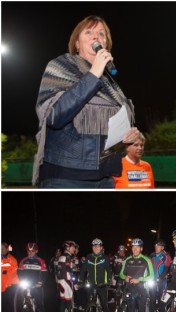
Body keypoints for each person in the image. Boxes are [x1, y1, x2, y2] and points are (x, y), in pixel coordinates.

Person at [33, 15, 142, 188]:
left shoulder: (112, 86)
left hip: (106, 178)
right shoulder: (60, 66)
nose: (96, 37)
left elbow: (108, 135)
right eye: (89, 32)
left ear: (106, 44)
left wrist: (128, 137)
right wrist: (93, 74)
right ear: (77, 43)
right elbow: (53, 116)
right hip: (66, 175)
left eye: (102, 34)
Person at [120, 238, 154, 312]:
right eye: (133, 247)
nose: (135, 250)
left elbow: (151, 276)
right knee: (130, 311)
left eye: (137, 248)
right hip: (130, 289)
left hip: (141, 290)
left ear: (141, 248)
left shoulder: (146, 260)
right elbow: (121, 273)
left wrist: (140, 280)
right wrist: (124, 277)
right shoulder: (127, 260)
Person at [17, 243, 53, 312]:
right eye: (28, 251)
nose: (30, 253)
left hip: (37, 285)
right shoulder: (23, 260)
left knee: (40, 302)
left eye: (32, 251)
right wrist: (21, 280)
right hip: (26, 284)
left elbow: (45, 273)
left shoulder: (40, 261)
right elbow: (19, 272)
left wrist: (41, 282)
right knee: (21, 302)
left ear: (36, 251)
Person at [80, 238, 113, 312]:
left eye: (98, 246)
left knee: (104, 305)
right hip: (91, 285)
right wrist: (80, 280)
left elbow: (109, 270)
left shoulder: (105, 258)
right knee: (89, 304)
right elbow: (83, 270)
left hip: (102, 285)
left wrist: (109, 280)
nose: (96, 248)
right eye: (94, 246)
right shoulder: (89, 257)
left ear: (101, 247)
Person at [55, 241, 79, 312]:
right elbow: (69, 270)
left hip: (60, 281)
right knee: (68, 302)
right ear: (68, 248)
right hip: (66, 281)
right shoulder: (68, 256)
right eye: (73, 247)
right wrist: (75, 281)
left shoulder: (61, 256)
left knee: (62, 301)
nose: (74, 249)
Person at [2, 242, 19, 312]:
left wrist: (7, 285)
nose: (1, 250)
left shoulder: (12, 259)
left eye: (2, 248)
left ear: (6, 249)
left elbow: (12, 273)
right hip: (2, 285)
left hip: (11, 285)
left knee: (10, 303)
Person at [150, 239, 171, 303]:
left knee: (161, 298)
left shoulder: (166, 256)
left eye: (158, 246)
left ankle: (161, 310)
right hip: (152, 279)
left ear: (162, 247)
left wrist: (159, 278)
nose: (156, 248)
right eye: (155, 246)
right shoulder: (152, 255)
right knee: (152, 297)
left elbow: (166, 270)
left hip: (162, 280)